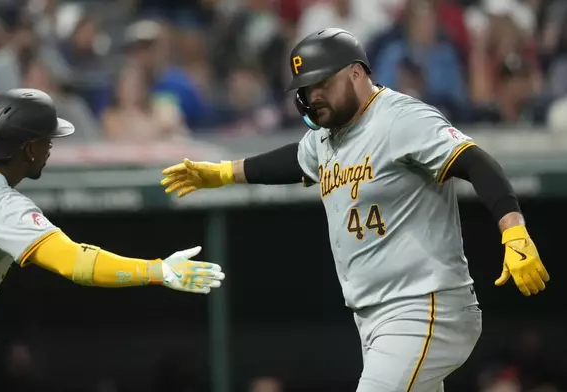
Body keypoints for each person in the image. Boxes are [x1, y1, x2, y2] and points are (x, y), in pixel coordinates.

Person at [161, 28, 549, 392]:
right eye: (306, 88)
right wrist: (223, 173)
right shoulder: (326, 138)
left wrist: (513, 230)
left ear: (357, 73)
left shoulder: (401, 118)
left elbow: (475, 161)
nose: (313, 95)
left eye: (322, 83)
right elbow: (292, 160)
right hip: (374, 316)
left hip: (425, 306)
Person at [0, 88, 224, 392]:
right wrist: (158, 270)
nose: (50, 146)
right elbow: (76, 263)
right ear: (28, 149)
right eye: (46, 139)